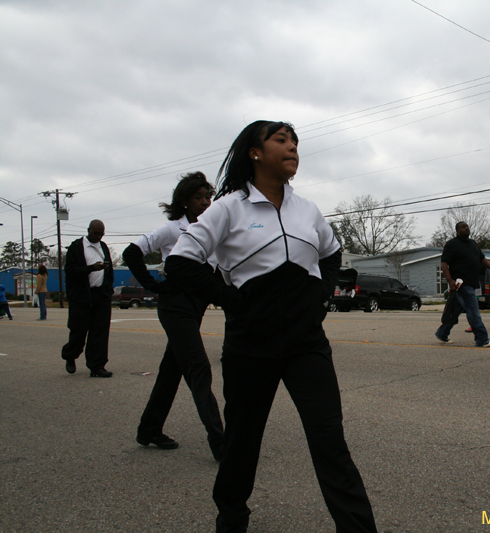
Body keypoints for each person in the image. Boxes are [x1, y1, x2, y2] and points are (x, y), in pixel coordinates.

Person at [165, 120, 377, 533]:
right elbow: (180, 262)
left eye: (295, 141)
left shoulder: (308, 210)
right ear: (255, 152)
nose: (292, 147)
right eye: (281, 140)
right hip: (251, 345)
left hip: (306, 344)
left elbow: (332, 255)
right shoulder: (228, 208)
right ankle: (231, 518)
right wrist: (230, 299)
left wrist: (322, 294)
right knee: (242, 442)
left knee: (330, 441)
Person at [122, 172, 224, 459]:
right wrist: (153, 286)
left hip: (196, 307)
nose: (205, 202)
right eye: (198, 197)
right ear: (184, 201)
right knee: (199, 369)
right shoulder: (171, 229)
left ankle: (149, 430)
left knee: (171, 371)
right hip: (174, 306)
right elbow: (132, 253)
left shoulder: (213, 230)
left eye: (207, 197)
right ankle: (220, 443)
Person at [61, 220, 114, 377]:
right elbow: (70, 271)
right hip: (82, 297)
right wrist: (92, 268)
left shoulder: (103, 247)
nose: (98, 236)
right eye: (95, 233)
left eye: (101, 234)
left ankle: (97, 366)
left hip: (101, 296)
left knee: (100, 333)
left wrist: (108, 288)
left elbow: (109, 270)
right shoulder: (76, 247)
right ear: (88, 230)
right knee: (78, 331)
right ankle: (70, 355)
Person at [435, 221, 490, 347]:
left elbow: (481, 258)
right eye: (463, 227)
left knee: (455, 310)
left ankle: (442, 333)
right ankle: (482, 339)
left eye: (467, 227)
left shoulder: (473, 244)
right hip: (461, 283)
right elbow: (444, 264)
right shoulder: (451, 245)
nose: (466, 229)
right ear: (457, 231)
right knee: (473, 311)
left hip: (472, 282)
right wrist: (450, 281)